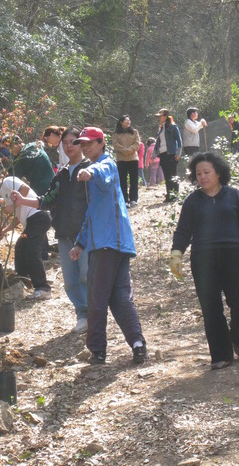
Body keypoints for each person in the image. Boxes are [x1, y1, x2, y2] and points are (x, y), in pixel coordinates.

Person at [69, 127, 147, 365]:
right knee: (120, 297)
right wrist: (80, 243)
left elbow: (102, 171)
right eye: (82, 144)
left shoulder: (106, 165)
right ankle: (138, 344)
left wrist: (89, 171)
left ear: (101, 143)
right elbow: (93, 213)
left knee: (97, 296)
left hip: (107, 244)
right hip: (114, 244)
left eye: (89, 143)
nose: (85, 148)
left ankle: (97, 350)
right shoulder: (96, 171)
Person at [11, 127, 89, 334]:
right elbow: (46, 199)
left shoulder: (92, 169)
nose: (69, 146)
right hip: (64, 234)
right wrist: (22, 200)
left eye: (73, 142)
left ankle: (95, 315)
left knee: (87, 276)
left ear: (82, 144)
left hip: (87, 234)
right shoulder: (62, 175)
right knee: (71, 282)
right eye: (65, 143)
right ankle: (82, 315)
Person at [171, 152, 239, 370]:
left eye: (206, 172)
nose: (202, 177)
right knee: (211, 308)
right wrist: (176, 253)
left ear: (218, 173)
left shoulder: (234, 196)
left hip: (234, 256)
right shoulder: (192, 201)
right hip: (204, 260)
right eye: (198, 173)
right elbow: (183, 231)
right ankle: (221, 354)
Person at [0, 173, 51, 299]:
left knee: (32, 253)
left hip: (38, 217)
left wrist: (12, 207)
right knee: (20, 247)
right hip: (30, 223)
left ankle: (43, 288)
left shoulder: (7, 181)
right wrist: (4, 231)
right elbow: (17, 219)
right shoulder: (5, 194)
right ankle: (22, 279)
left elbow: (25, 189)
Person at [2, 134, 54, 259]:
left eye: (9, 148)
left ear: (15, 145)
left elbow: (13, 178)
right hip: (53, 181)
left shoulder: (21, 159)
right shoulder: (34, 144)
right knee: (50, 213)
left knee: (36, 216)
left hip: (40, 186)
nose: (10, 151)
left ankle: (43, 250)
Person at [153, 108, 183, 202]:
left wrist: (178, 153)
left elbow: (179, 141)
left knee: (173, 175)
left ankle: (175, 195)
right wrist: (154, 154)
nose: (159, 118)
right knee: (167, 176)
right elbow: (158, 142)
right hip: (163, 154)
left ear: (165, 116)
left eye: (160, 116)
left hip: (171, 154)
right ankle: (169, 195)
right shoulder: (161, 128)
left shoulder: (173, 127)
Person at [112, 115, 140, 207]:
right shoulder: (116, 133)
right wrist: (125, 150)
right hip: (121, 160)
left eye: (129, 120)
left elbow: (137, 143)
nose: (128, 121)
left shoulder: (134, 132)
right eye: (126, 120)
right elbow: (115, 145)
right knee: (122, 180)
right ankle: (124, 200)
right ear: (121, 122)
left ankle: (133, 199)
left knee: (134, 180)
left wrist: (130, 150)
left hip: (133, 159)